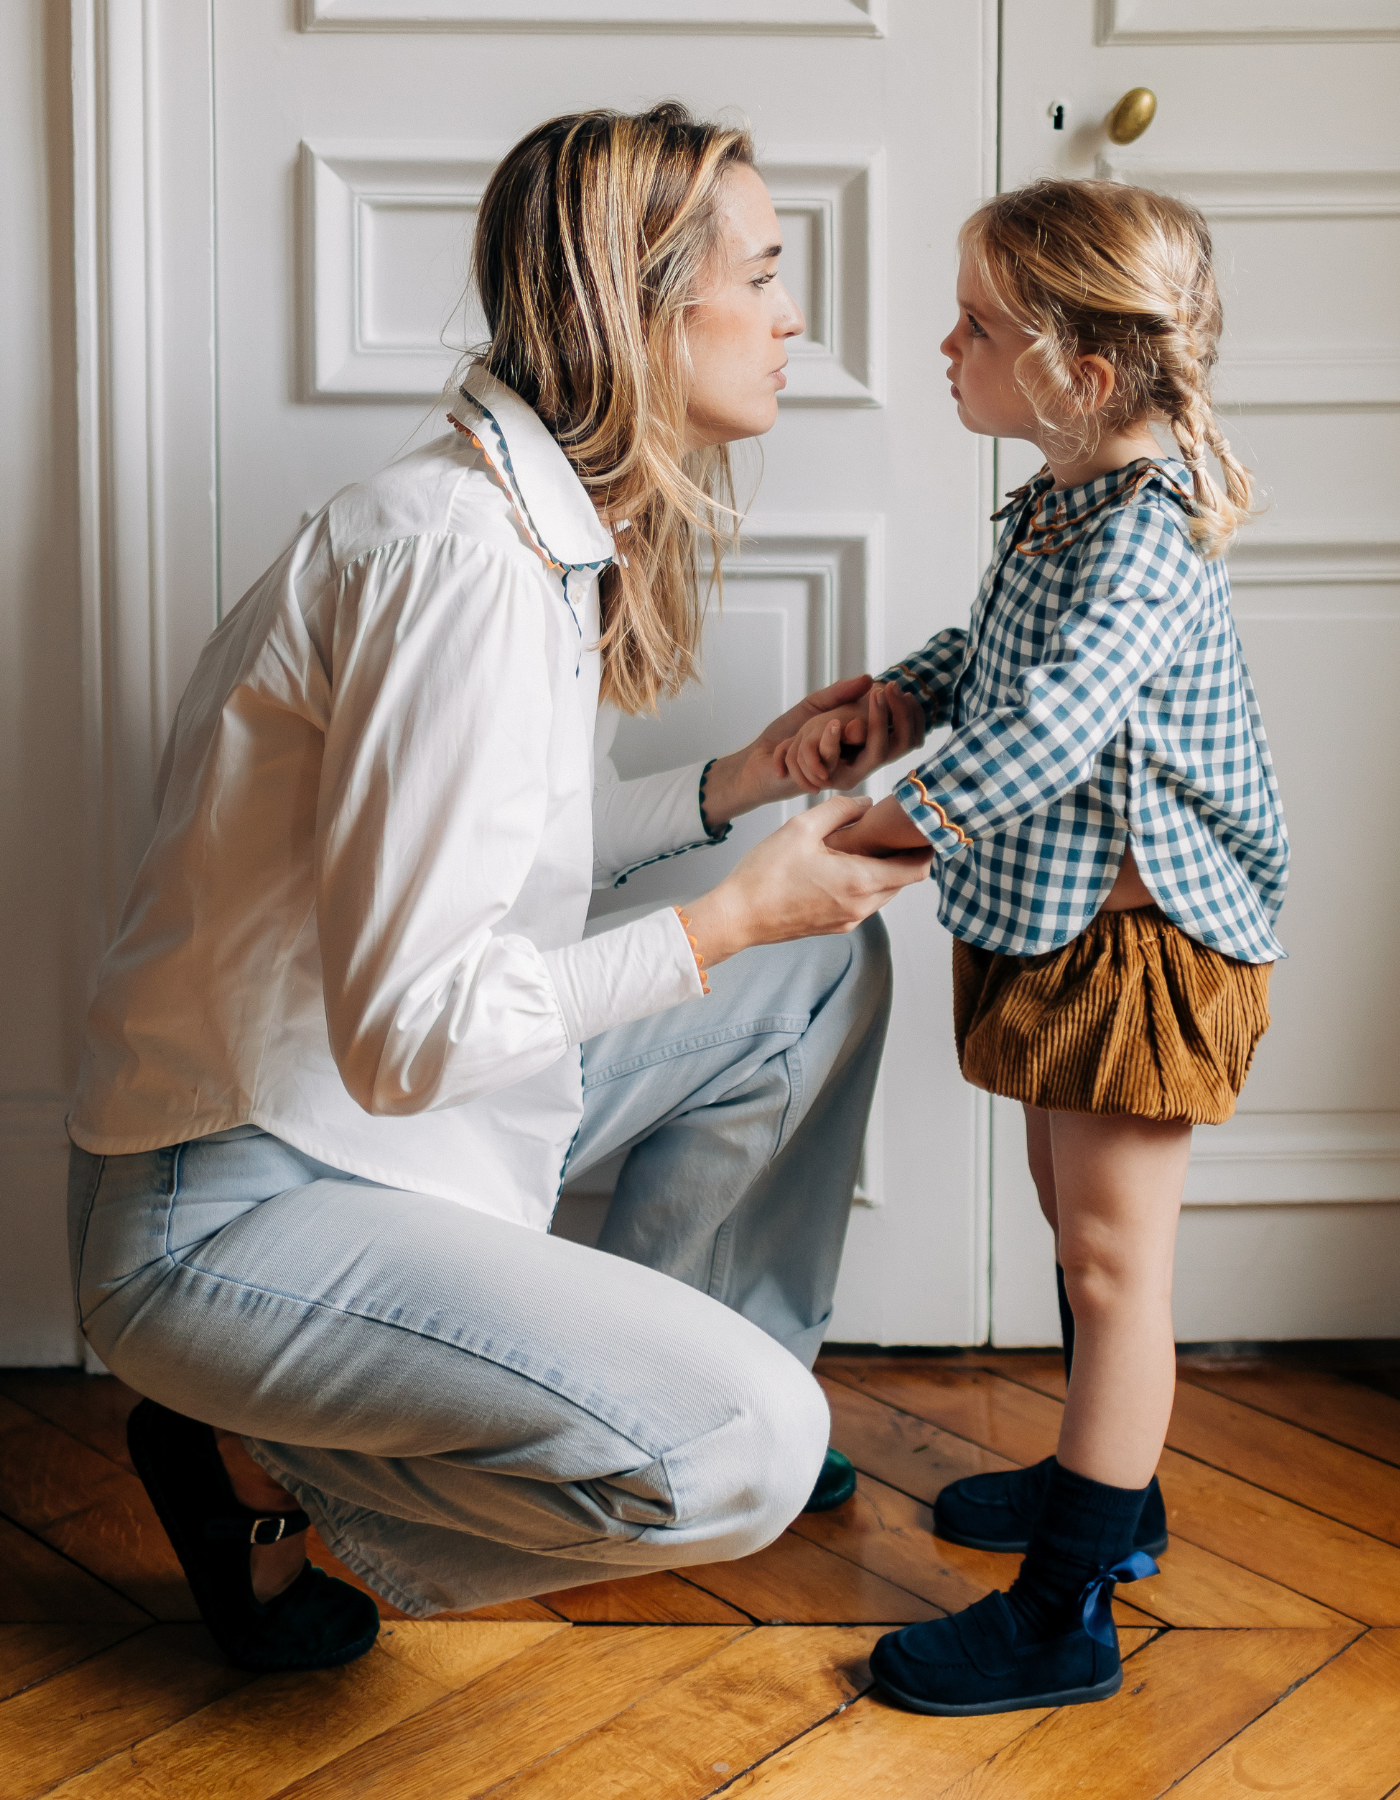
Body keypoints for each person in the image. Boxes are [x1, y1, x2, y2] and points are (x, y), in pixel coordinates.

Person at [65, 105, 931, 1674]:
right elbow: (415, 1030)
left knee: (813, 981)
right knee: (750, 1449)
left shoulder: (515, 523)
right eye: (769, 273)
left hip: (351, 1134)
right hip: (235, 1211)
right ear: (646, 305)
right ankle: (264, 1459)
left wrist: (742, 788)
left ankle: (649, 1382)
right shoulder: (456, 559)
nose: (797, 317)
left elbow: (494, 866)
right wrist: (734, 910)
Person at [779, 178, 1287, 1715]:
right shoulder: (1068, 493)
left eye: (977, 326)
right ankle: (1111, 1493)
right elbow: (1011, 659)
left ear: (1078, 367)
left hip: (1143, 945)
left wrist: (878, 835)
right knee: (1077, 1232)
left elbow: (1063, 721)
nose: (945, 345)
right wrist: (905, 693)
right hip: (1060, 922)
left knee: (1116, 1268)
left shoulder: (1143, 530)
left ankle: (1065, 1613)